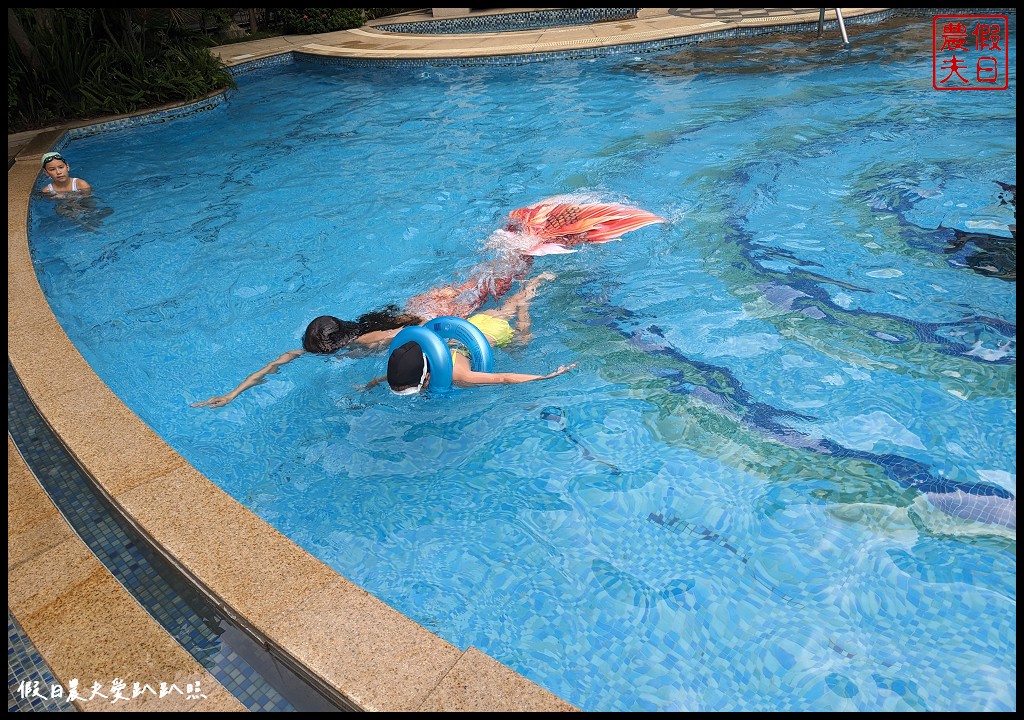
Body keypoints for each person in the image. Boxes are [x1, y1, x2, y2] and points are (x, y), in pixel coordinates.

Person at [193, 197, 663, 408]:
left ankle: (523, 250)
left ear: (337, 346)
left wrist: (456, 338)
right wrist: (236, 393)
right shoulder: (331, 343)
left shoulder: (374, 338)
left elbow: (417, 338)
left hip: (433, 318)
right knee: (479, 281)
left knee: (490, 286)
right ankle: (508, 256)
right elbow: (276, 363)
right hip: (421, 311)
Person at [372, 271, 577, 393]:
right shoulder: (414, 364)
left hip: (493, 333)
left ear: (426, 379)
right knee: (506, 308)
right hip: (469, 326)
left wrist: (546, 377)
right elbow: (387, 377)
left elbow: (504, 378)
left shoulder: (458, 375)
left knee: (522, 342)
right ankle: (524, 293)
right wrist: (367, 387)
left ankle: (528, 296)